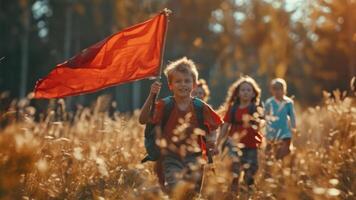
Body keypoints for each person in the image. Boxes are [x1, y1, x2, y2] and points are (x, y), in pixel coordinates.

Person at [139, 57, 222, 195]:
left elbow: (215, 126)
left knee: (193, 193)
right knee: (176, 189)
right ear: (170, 85)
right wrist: (152, 95)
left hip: (195, 157)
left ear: (194, 85)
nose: (183, 85)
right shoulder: (164, 105)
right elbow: (142, 119)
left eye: (187, 81)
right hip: (170, 157)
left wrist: (212, 141)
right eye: (178, 81)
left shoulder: (200, 107)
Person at [217, 76, 264, 194]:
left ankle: (246, 194)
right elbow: (225, 127)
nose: (246, 92)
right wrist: (218, 143)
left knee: (250, 175)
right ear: (237, 93)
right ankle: (233, 195)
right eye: (243, 90)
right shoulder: (233, 109)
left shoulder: (255, 109)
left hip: (251, 147)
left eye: (249, 90)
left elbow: (262, 126)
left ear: (254, 94)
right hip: (234, 146)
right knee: (234, 175)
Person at [264, 78, 296, 160]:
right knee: (272, 153)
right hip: (272, 132)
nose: (277, 91)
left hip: (285, 131)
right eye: (275, 89)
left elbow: (292, 116)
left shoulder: (288, 102)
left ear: (284, 89)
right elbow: (265, 116)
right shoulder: (269, 102)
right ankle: (272, 170)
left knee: (284, 153)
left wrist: (293, 128)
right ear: (271, 90)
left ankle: (283, 168)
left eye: (280, 89)